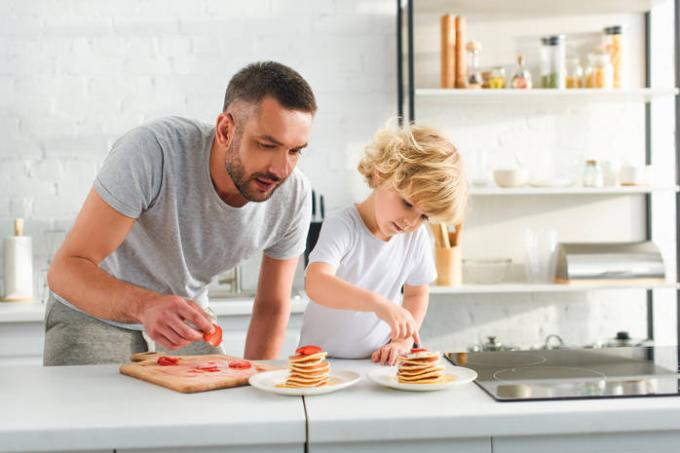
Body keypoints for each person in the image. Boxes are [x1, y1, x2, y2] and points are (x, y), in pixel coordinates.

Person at [44, 61, 316, 365]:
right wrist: (145, 306)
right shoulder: (152, 152)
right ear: (226, 130)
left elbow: (271, 306)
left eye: (295, 151)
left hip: (184, 319)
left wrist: (255, 378)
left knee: (215, 405)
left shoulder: (293, 196)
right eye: (267, 145)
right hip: (93, 310)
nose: (281, 169)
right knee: (99, 409)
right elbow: (65, 270)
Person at [299, 122, 468, 365]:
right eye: (408, 204)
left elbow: (416, 294)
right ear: (381, 175)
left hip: (375, 362)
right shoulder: (344, 225)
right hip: (319, 362)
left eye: (424, 216)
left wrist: (401, 341)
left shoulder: (414, 237)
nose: (411, 221)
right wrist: (378, 304)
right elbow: (316, 283)